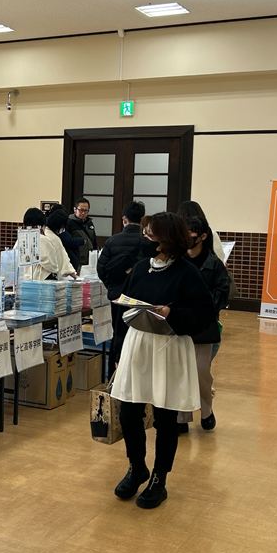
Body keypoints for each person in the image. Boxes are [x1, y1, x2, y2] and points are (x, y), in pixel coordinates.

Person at [110, 212, 214, 509]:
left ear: (167, 239)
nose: (145, 239)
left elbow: (204, 314)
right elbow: (123, 309)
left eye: (151, 234)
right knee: (129, 411)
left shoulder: (187, 272)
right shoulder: (141, 268)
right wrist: (117, 351)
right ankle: (136, 466)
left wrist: (172, 313)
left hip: (169, 348)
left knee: (165, 417)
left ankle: (159, 477)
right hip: (137, 345)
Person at [177, 215, 231, 433]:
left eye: (190, 234)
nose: (186, 238)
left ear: (202, 236)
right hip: (179, 326)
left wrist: (203, 307)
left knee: (201, 373)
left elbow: (222, 293)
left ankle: (206, 410)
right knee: (180, 373)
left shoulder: (214, 264)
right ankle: (182, 416)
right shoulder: (178, 261)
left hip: (204, 327)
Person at [96, 200, 154, 370]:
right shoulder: (147, 243)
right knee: (139, 335)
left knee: (118, 333)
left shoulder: (112, 241)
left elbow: (101, 269)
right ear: (142, 219)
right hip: (140, 298)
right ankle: (135, 372)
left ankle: (115, 374)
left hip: (117, 297)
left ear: (124, 219)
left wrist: (113, 287)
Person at [41, 207, 77, 280]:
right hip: (49, 275)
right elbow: (62, 256)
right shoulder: (54, 238)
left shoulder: (44, 232)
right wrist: (71, 272)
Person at [66, 198, 99, 268]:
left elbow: (93, 240)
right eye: (81, 210)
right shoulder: (68, 223)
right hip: (75, 260)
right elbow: (67, 242)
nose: (83, 213)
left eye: (86, 210)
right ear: (75, 209)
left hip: (89, 259)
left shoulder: (89, 223)